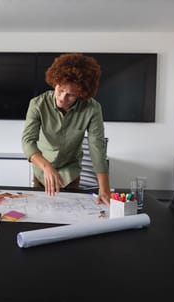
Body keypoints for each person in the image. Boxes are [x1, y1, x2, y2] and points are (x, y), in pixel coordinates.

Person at [21, 53, 111, 205]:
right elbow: (27, 142)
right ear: (55, 82)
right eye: (60, 90)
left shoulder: (92, 109)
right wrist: (47, 167)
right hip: (42, 170)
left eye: (71, 95)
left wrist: (105, 190)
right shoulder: (37, 104)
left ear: (82, 94)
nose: (62, 98)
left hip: (70, 173)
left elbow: (97, 148)